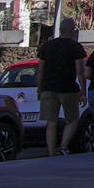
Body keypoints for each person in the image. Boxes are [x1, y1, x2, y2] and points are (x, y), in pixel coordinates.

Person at [35, 17, 86, 154]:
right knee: (73, 119)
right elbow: (80, 71)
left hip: (48, 87)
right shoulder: (76, 47)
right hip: (67, 88)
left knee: (51, 122)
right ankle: (63, 147)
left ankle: (51, 152)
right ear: (73, 31)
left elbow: (40, 70)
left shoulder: (47, 46)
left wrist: (39, 89)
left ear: (60, 30)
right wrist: (83, 90)